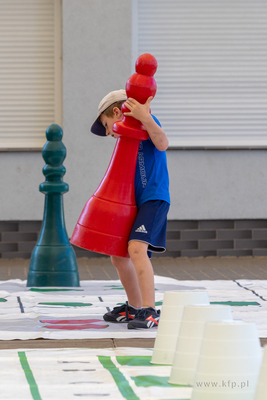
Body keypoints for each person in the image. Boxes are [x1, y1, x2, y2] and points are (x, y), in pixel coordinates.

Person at [91, 89, 170, 329]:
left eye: (106, 125)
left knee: (137, 249)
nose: (107, 133)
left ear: (117, 113)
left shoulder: (147, 121)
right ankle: (135, 307)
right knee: (118, 255)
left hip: (153, 198)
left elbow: (163, 143)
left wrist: (145, 117)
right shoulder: (125, 139)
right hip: (133, 202)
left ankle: (149, 309)